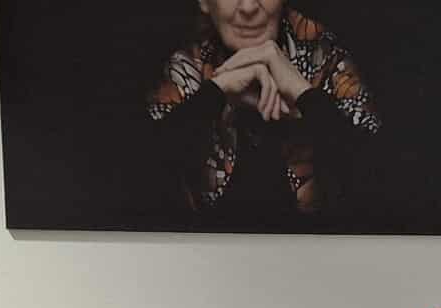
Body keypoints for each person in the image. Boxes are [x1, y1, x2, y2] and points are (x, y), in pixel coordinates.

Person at [148, 0, 382, 224]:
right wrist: (217, 91)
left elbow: (379, 176)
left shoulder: (322, 51)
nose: (249, 7)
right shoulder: (189, 61)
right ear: (204, 2)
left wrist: (303, 95)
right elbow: (144, 175)